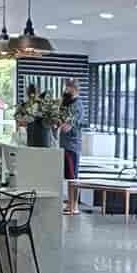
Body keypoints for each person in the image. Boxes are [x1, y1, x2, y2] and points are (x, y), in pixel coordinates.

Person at [59, 82, 82, 214]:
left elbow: (68, 126)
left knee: (73, 177)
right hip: (65, 145)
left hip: (72, 145)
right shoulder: (68, 104)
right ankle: (70, 205)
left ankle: (74, 206)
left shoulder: (77, 105)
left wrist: (64, 125)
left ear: (73, 89)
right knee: (69, 177)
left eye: (67, 89)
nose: (65, 91)